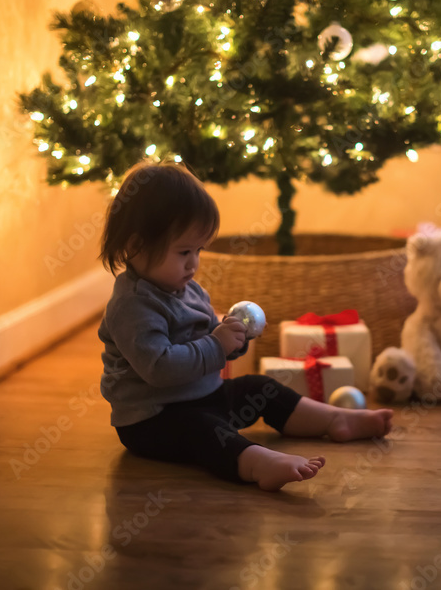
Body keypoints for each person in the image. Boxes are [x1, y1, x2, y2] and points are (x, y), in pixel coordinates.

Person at [96, 162, 393, 491]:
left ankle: (334, 418)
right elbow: (159, 367)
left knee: (260, 389)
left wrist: (234, 339)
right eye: (183, 251)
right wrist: (216, 345)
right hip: (155, 419)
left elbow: (210, 337)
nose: (194, 263)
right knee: (204, 431)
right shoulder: (133, 305)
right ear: (137, 246)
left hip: (206, 395)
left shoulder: (187, 289)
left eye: (198, 250)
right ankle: (258, 464)